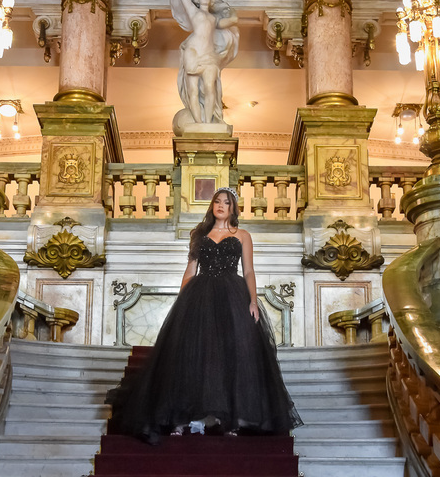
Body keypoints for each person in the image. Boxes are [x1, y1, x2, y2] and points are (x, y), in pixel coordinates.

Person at [109, 188, 301, 442]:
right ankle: (181, 416)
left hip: (232, 296)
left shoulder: (242, 235)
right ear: (212, 206)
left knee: (231, 354)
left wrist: (253, 301)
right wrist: (181, 302)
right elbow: (190, 271)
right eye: (217, 202)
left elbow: (250, 272)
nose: (221, 206)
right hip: (200, 296)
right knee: (193, 354)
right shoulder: (199, 236)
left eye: (227, 203)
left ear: (233, 208)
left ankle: (231, 417)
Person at [172, 0, 239, 128]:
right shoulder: (193, 13)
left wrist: (228, 11)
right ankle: (199, 124)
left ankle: (208, 123)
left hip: (209, 56)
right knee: (192, 90)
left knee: (210, 89)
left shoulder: (213, 19)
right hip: (193, 52)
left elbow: (233, 20)